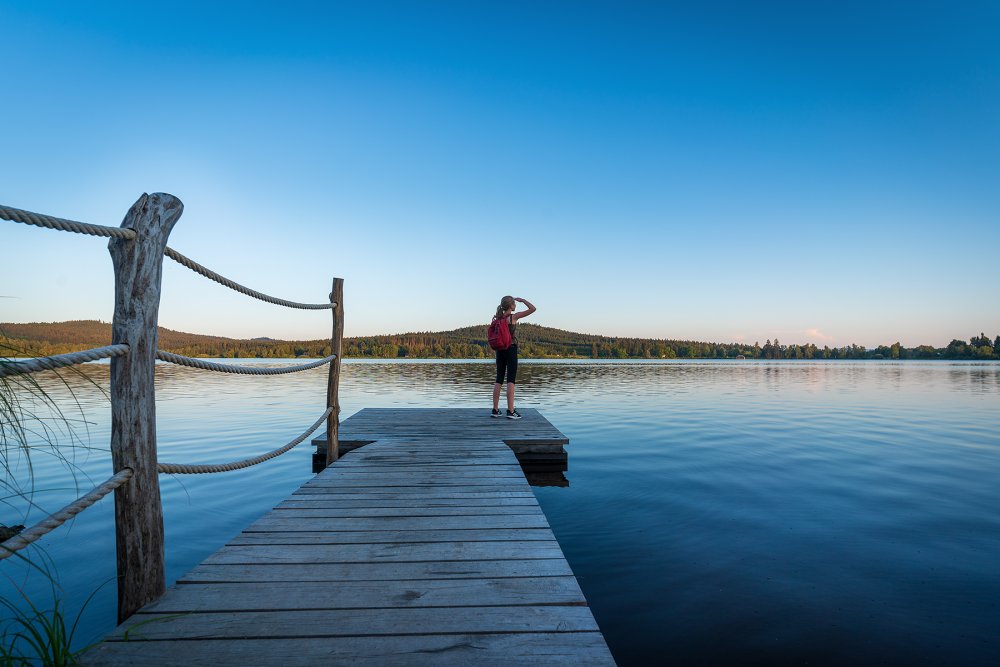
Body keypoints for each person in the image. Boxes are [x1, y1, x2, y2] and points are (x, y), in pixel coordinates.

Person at [492, 295, 536, 419]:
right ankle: (510, 411)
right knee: (511, 380)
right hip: (510, 349)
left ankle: (495, 410)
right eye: (514, 303)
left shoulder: (498, 318)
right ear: (511, 305)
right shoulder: (513, 317)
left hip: (499, 350)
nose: (516, 305)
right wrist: (523, 300)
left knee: (498, 379)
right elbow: (533, 309)